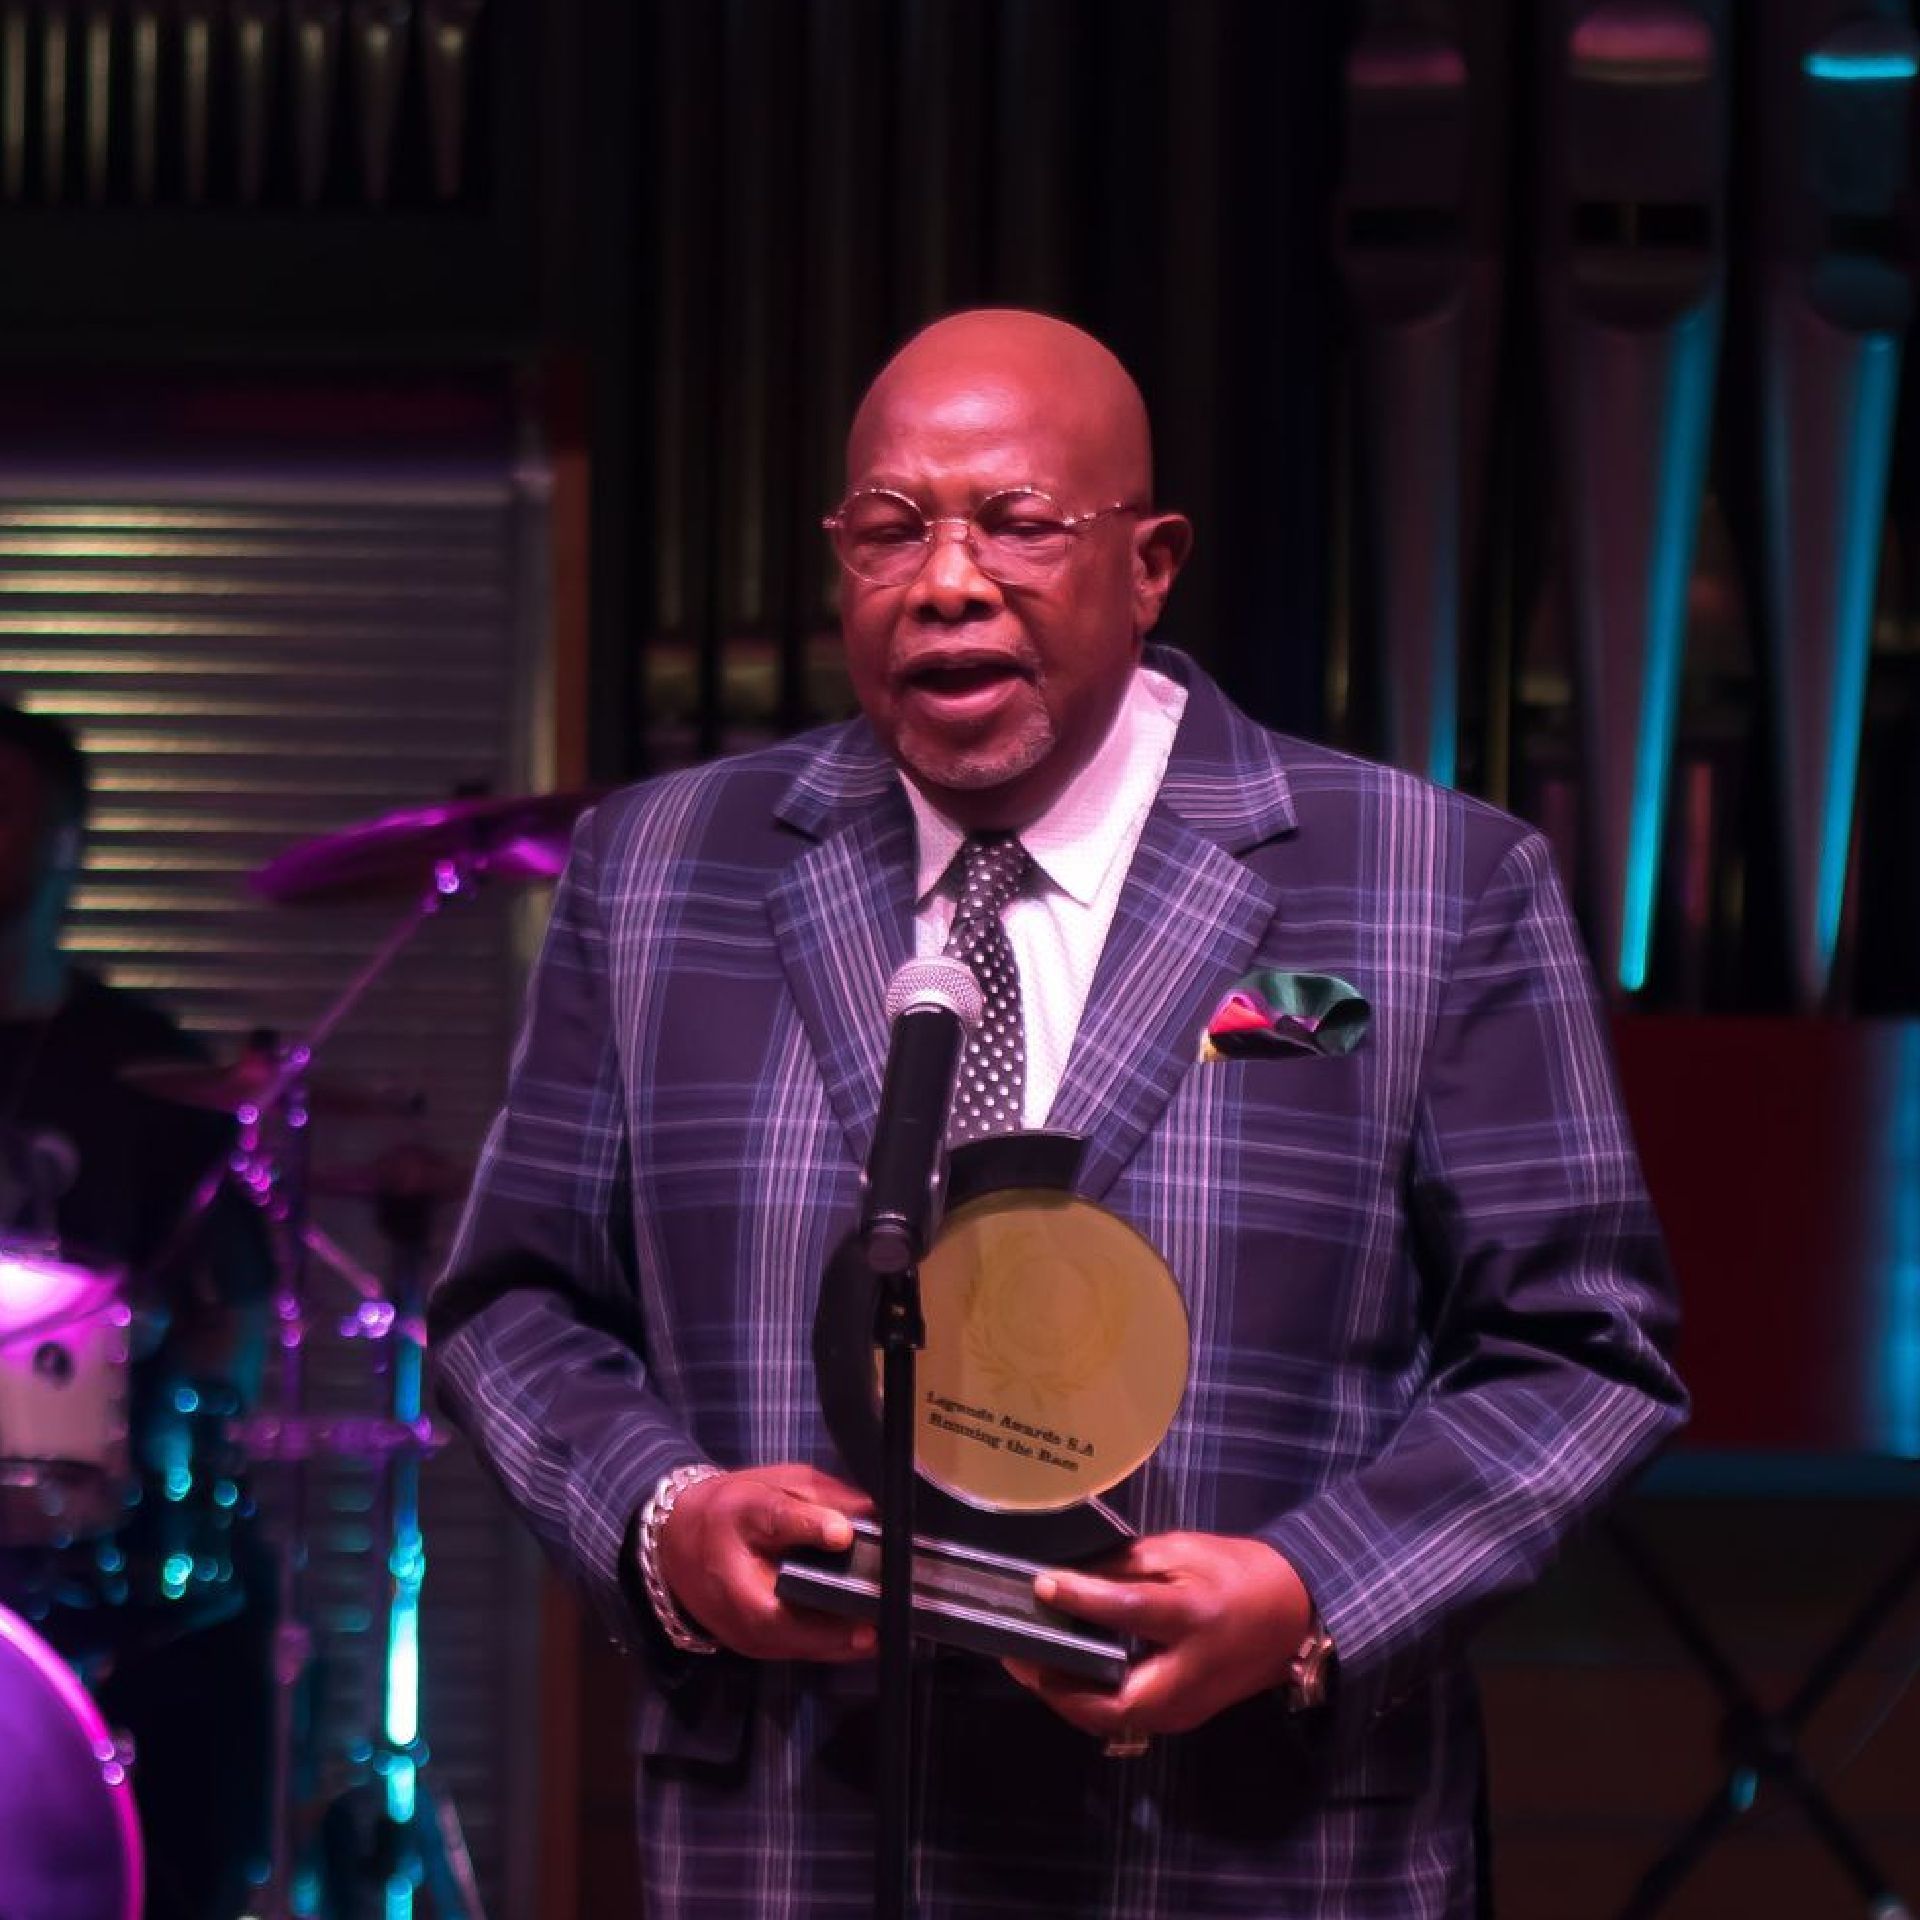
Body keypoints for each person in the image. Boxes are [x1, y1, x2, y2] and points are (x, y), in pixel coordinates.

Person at [432, 309, 1686, 1916]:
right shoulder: (664, 870)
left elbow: (1582, 1352)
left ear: (1152, 562)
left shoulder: (1428, 886)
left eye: (1018, 524)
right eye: (890, 530)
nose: (947, 580)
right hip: (801, 1845)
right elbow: (510, 1306)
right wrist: (664, 1524)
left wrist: (1311, 1596)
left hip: (1251, 1851)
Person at [0, 701, 274, 1920]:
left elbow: (234, 1318)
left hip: (91, 1514)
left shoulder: (143, 1066)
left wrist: (196, 1370)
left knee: (227, 1594)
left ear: (67, 845)